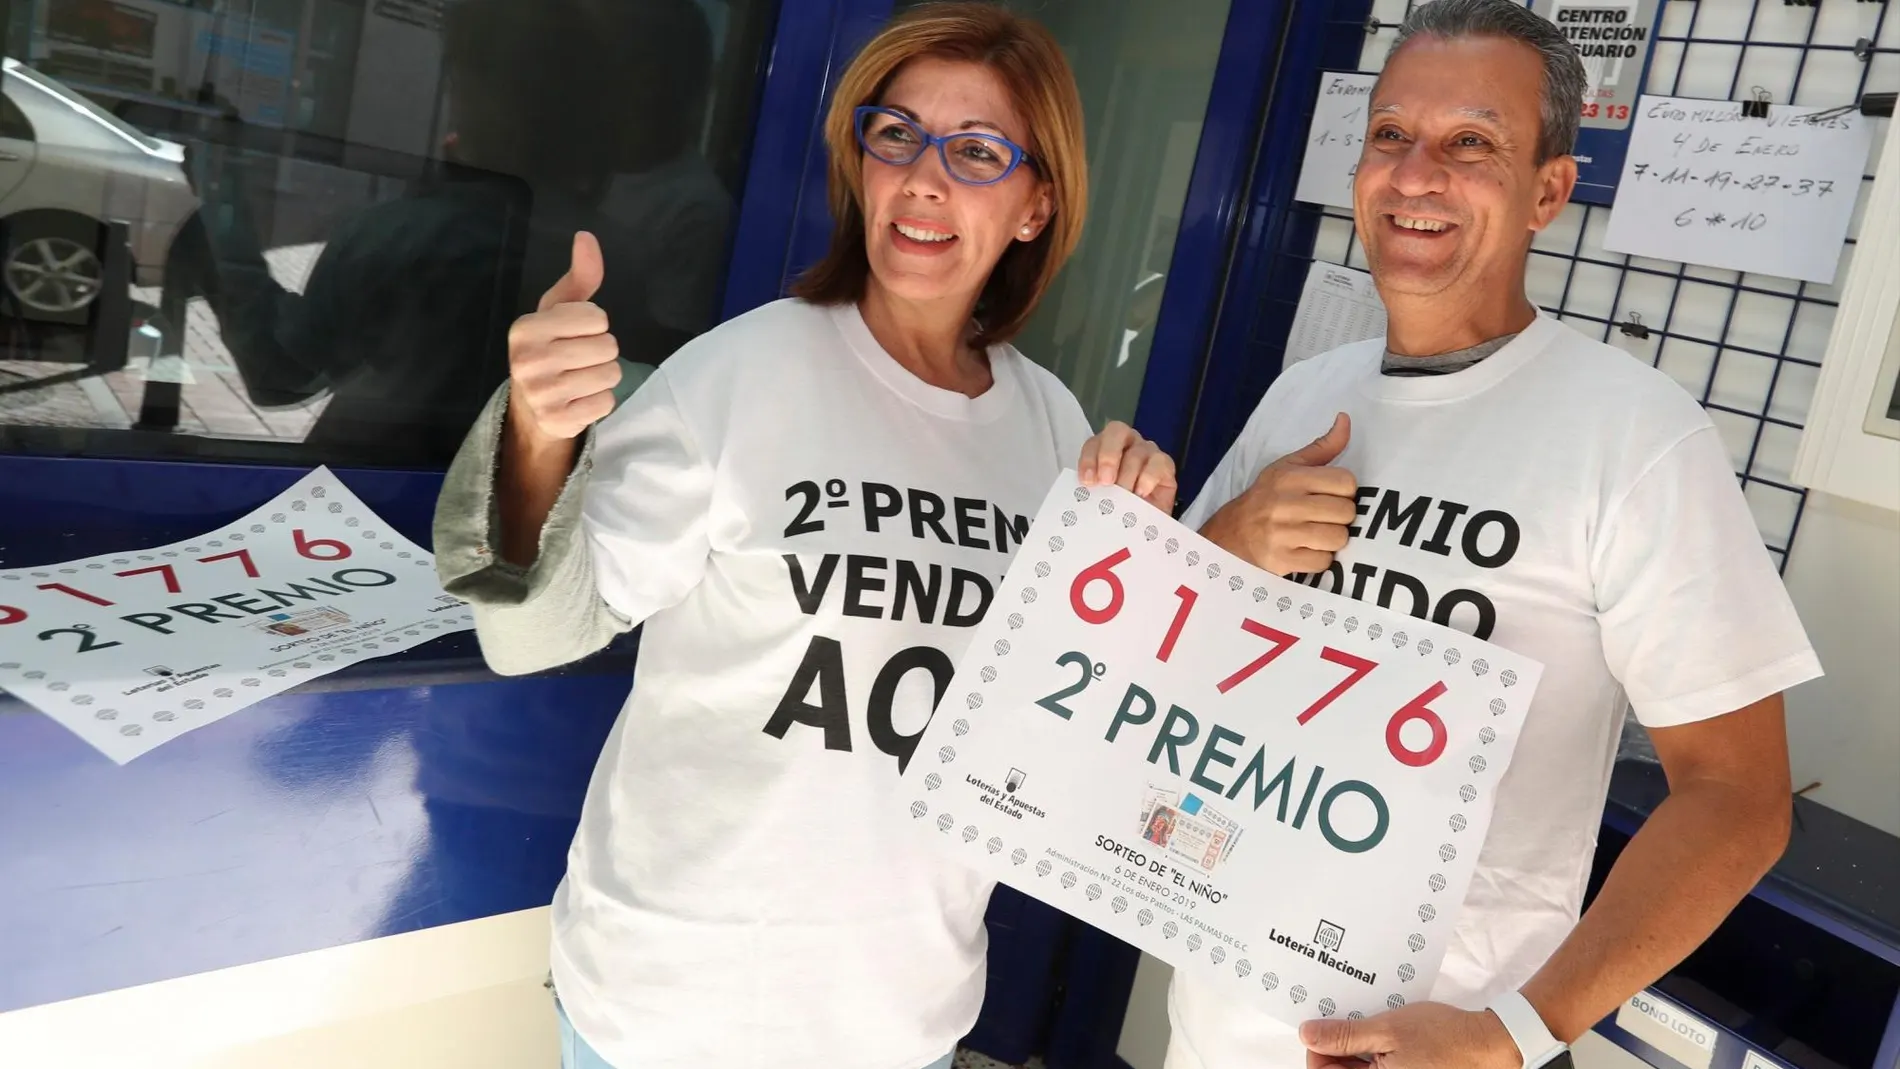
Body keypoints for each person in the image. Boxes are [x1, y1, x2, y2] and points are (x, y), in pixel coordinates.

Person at [433, 5, 1175, 1067]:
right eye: (896, 136)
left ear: (1033, 204)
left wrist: (1136, 560)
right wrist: (541, 435)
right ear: (859, 164)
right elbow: (530, 634)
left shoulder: (1051, 424)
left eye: (974, 153)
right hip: (673, 1009)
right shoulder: (740, 377)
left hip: (898, 1017)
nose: (924, 179)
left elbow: (1052, 727)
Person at [1170, 2, 1821, 1067]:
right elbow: (1154, 661)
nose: (1415, 173)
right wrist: (1228, 542)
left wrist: (1515, 1031)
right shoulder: (1301, 397)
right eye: (1391, 135)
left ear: (1547, 194)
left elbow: (1738, 799)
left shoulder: (1633, 434)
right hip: (1210, 1026)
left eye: (1471, 143)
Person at [172, 0, 729, 464]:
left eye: (462, 76)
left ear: (491, 95)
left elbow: (280, 374)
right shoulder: (619, 255)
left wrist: (224, 215)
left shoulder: (408, 236)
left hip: (360, 502)